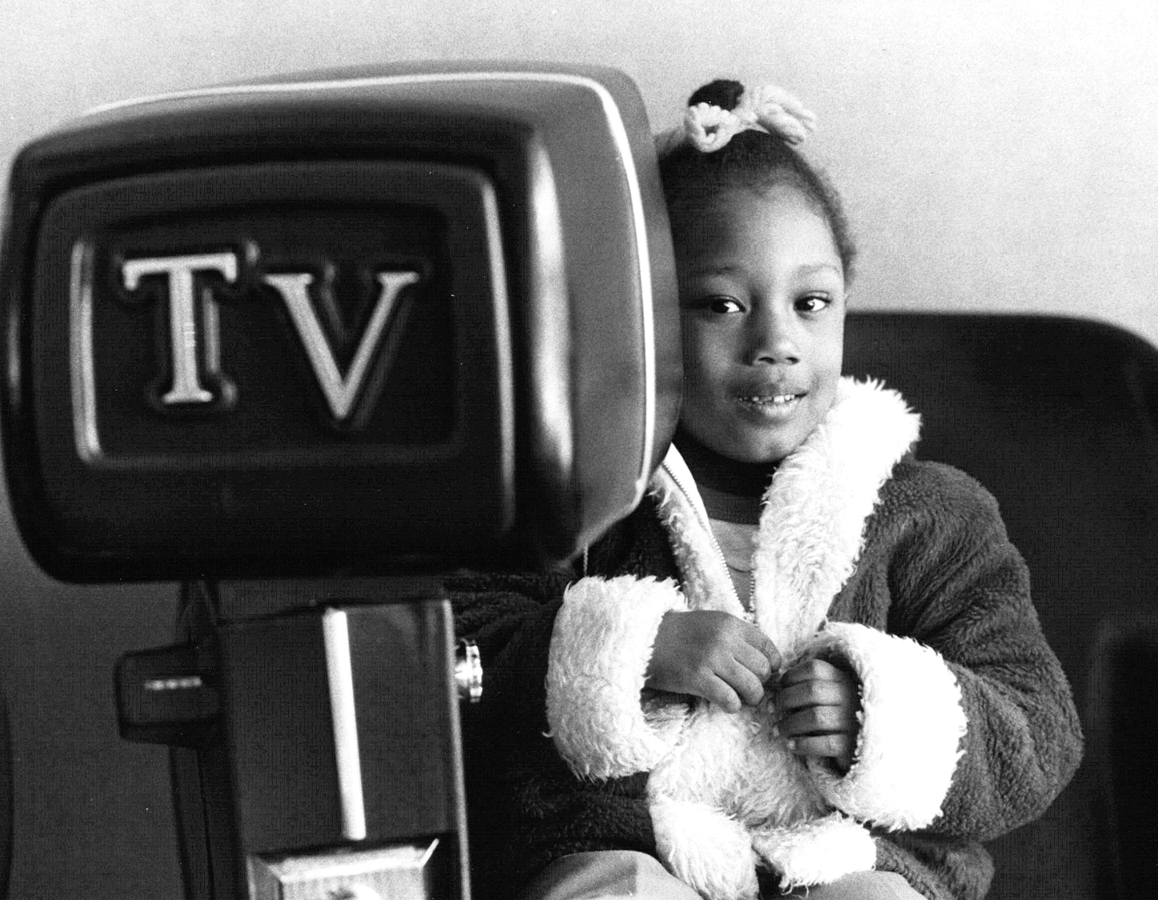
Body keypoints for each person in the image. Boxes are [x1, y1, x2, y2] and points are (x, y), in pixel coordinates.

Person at [449, 78, 1083, 900]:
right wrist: (633, 651)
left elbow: (1039, 727)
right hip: (630, 850)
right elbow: (457, 651)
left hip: (846, 863)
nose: (776, 342)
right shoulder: (583, 495)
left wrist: (881, 714)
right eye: (721, 304)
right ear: (643, 315)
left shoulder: (934, 518)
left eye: (810, 302)